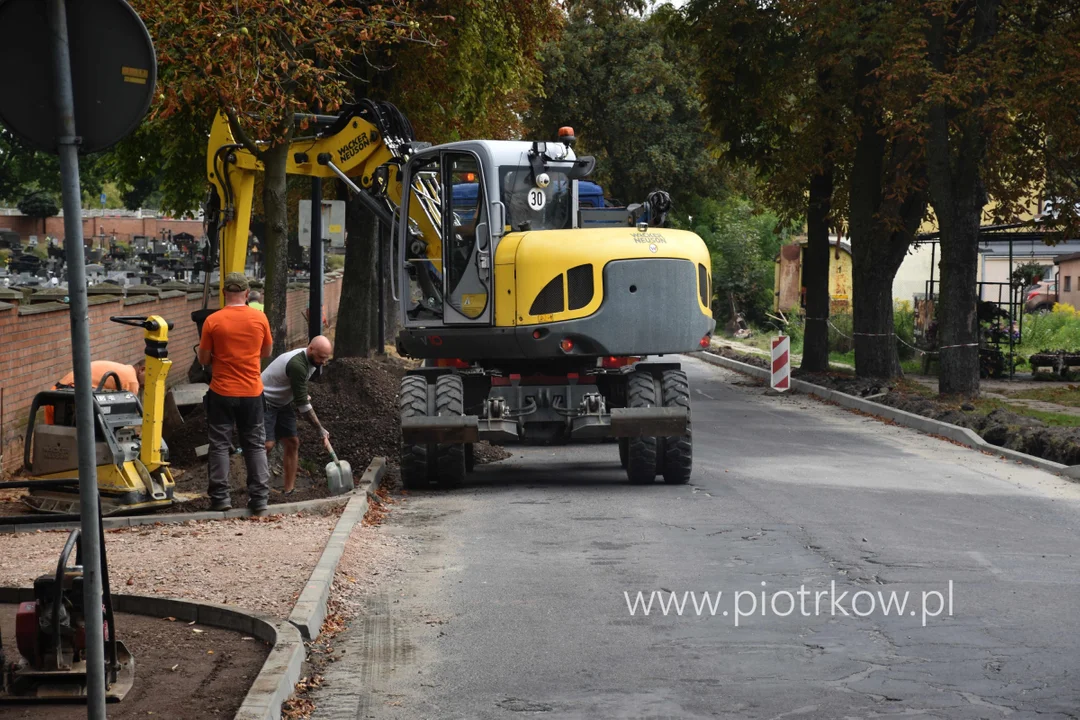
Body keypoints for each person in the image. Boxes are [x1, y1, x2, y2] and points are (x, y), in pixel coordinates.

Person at [197, 272, 273, 514]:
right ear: (247, 294)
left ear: (223, 293)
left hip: (221, 391)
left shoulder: (213, 321)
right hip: (251, 391)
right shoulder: (260, 318)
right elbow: (266, 352)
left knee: (219, 444)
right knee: (255, 445)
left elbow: (204, 358)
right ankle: (259, 498)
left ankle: (220, 498)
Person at [261, 335, 333, 494]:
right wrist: (320, 429)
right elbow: (303, 406)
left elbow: (297, 386)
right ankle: (257, 488)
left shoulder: (312, 360)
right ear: (311, 348)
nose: (323, 362)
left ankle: (289, 491)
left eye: (326, 358)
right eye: (321, 357)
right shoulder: (297, 364)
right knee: (267, 445)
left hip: (283, 402)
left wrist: (299, 394)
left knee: (292, 442)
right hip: (264, 400)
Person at [55, 360, 144, 395]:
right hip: (73, 394)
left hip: (57, 391)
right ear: (142, 370)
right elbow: (126, 414)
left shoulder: (125, 370)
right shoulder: (132, 381)